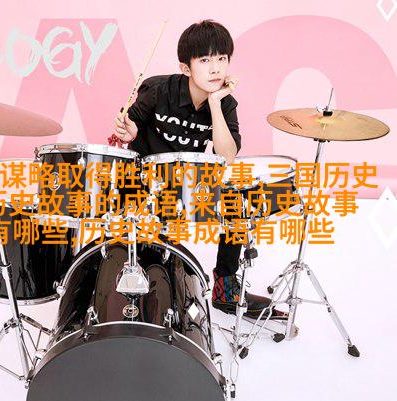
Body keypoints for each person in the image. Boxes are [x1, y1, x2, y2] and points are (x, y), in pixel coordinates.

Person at [113, 20, 286, 319]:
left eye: (221, 59)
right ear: (186, 68)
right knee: (144, 249)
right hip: (143, 182)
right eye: (205, 60)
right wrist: (129, 132)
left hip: (188, 182)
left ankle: (225, 290)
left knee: (237, 203)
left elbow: (226, 155)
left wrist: (216, 103)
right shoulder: (158, 89)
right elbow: (129, 127)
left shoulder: (226, 103)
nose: (215, 68)